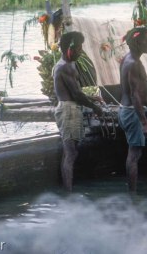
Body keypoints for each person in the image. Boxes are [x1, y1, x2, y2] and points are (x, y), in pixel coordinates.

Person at [53, 31, 104, 191]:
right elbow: (76, 94)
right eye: (79, 48)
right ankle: (68, 192)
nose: (81, 52)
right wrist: (95, 107)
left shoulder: (68, 64)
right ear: (70, 49)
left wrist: (92, 98)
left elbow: (75, 91)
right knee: (71, 153)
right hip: (68, 110)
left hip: (70, 108)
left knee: (70, 152)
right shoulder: (65, 67)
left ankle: (68, 189)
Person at [118, 26, 147, 193]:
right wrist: (145, 123)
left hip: (125, 109)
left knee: (134, 153)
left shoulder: (128, 59)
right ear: (138, 43)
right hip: (131, 112)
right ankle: (132, 195)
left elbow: (137, 90)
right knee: (134, 155)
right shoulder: (133, 63)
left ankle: (132, 192)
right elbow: (134, 95)